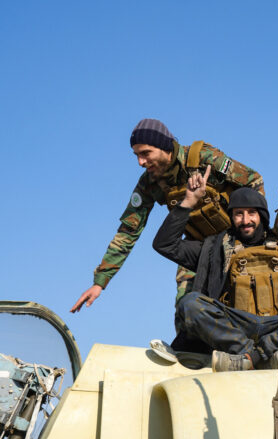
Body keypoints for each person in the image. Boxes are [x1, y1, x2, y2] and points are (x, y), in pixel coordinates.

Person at [152, 167, 278, 371]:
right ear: (231, 217)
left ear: (262, 216)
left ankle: (253, 357)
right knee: (189, 303)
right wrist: (188, 201)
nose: (245, 220)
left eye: (252, 213)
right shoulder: (213, 248)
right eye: (238, 214)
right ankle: (252, 354)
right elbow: (165, 244)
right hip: (235, 324)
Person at [71, 118, 266, 313]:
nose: (141, 162)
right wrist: (100, 282)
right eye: (137, 155)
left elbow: (254, 180)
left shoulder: (204, 159)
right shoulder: (149, 184)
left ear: (164, 146)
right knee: (186, 306)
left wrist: (253, 237)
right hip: (198, 248)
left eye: (146, 153)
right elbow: (128, 231)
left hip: (237, 243)